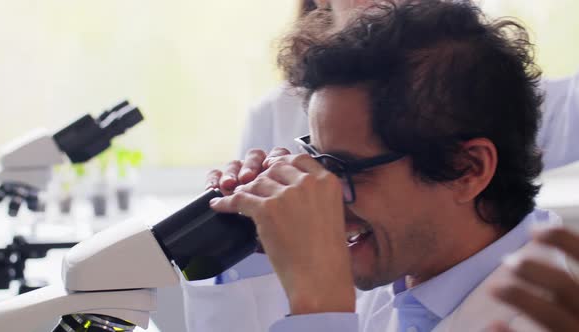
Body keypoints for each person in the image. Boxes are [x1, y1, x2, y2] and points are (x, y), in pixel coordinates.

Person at [185, 1, 576, 331]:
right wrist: (252, 243)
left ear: (467, 168)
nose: (322, 193)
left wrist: (322, 309)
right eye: (320, 160)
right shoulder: (409, 276)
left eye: (346, 167)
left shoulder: (542, 316)